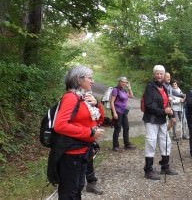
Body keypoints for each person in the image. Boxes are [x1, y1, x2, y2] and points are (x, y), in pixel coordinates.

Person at [54, 65, 105, 199]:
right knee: (69, 192)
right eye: (90, 78)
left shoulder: (83, 97)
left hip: (82, 151)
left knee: (77, 189)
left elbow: (99, 119)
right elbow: (59, 125)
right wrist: (89, 132)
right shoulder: (70, 98)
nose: (92, 81)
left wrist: (96, 104)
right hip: (71, 154)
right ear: (79, 79)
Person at [142, 65, 178, 180]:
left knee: (166, 141)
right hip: (151, 120)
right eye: (157, 73)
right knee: (151, 143)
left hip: (162, 119)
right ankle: (148, 170)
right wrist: (164, 111)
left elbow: (167, 104)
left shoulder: (164, 88)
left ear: (164, 76)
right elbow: (148, 105)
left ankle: (165, 167)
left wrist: (171, 115)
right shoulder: (149, 87)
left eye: (161, 74)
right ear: (154, 75)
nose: (159, 76)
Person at [110, 77, 135, 151]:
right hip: (117, 111)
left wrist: (129, 88)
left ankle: (127, 144)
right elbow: (111, 102)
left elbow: (131, 96)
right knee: (118, 128)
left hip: (123, 111)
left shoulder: (124, 90)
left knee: (126, 127)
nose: (124, 83)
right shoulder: (115, 90)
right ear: (119, 82)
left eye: (125, 82)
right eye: (122, 82)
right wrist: (114, 113)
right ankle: (115, 146)